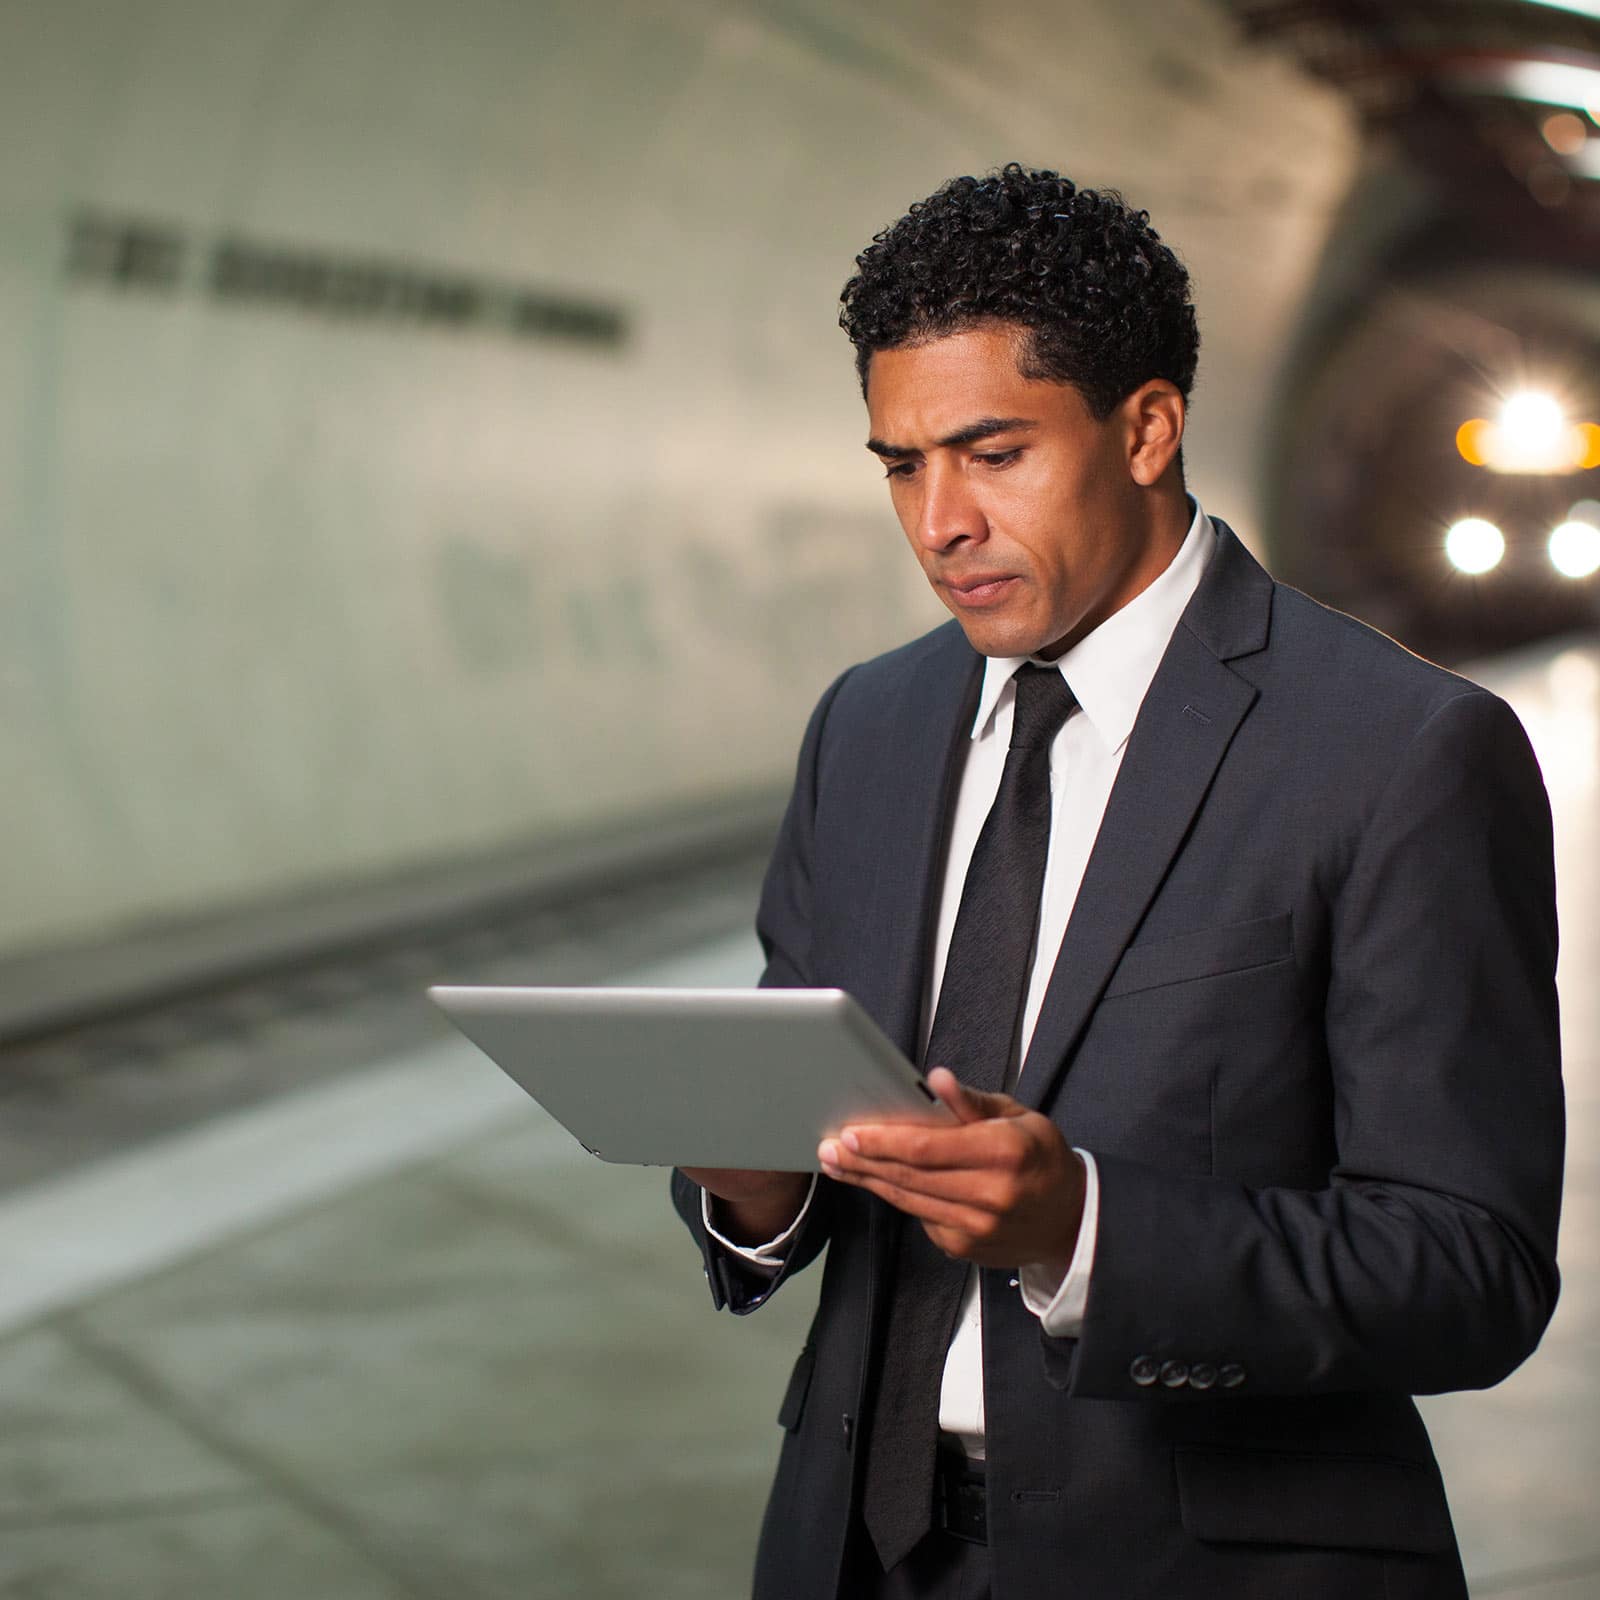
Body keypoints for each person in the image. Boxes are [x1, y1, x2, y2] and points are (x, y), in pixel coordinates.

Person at [672, 164, 1564, 1600]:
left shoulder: (1402, 755)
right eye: (901, 464)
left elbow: (1472, 1272)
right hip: (849, 1551)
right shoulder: (870, 727)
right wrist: (757, 1193)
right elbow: (807, 1117)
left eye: (991, 452)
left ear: (1148, 428)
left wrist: (1084, 1230)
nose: (938, 521)